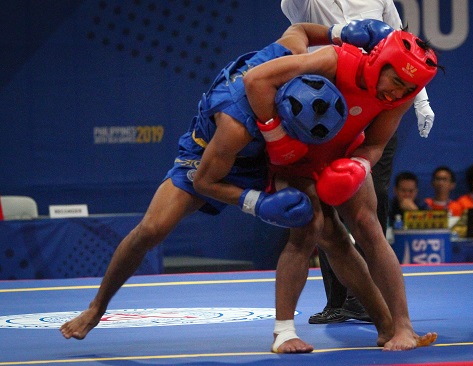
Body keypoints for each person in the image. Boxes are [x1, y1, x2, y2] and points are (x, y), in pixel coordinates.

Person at [59, 20, 429, 354]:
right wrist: (256, 201)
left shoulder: (293, 60)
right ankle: (96, 308)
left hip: (280, 151)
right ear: (281, 110)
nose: (397, 91)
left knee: (327, 229)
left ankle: (389, 326)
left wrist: (336, 34)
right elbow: (206, 180)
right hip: (214, 157)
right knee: (153, 228)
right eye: (395, 81)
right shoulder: (236, 123)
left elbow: (298, 30)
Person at [244, 19, 441, 352]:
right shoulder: (335, 61)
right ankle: (283, 333)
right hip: (291, 155)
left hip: (341, 153)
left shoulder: (400, 95)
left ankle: (399, 328)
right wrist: (277, 139)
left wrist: (359, 165)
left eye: (407, 90)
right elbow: (256, 79)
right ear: (381, 62)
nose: (397, 93)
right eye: (395, 81)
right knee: (310, 228)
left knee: (369, 227)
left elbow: (376, 143)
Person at [280, 0, 437, 326]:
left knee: (370, 207)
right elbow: (297, 27)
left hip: (379, 107)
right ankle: (338, 300)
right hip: (324, 113)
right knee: (325, 208)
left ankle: (372, 301)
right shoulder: (305, 2)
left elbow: (406, 44)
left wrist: (420, 101)